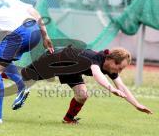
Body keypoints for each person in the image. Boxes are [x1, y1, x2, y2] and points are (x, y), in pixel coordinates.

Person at [21, 45, 153, 124]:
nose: (120, 71)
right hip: (56, 61)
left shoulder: (109, 68)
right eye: (120, 67)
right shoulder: (95, 58)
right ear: (112, 60)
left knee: (82, 95)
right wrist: (110, 88)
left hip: (72, 70)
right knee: (23, 76)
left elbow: (122, 87)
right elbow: (96, 74)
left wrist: (137, 104)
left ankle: (68, 120)